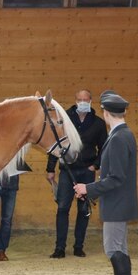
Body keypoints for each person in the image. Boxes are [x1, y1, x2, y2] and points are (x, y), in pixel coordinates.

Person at [73, 90, 138, 275]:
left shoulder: (120, 137)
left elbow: (117, 177)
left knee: (113, 249)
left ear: (105, 112)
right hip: (117, 202)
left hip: (117, 203)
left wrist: (87, 188)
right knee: (119, 249)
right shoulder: (120, 134)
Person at [47, 89, 107, 259]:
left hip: (87, 171)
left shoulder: (98, 123)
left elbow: (104, 148)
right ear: (75, 99)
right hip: (67, 170)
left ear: (90, 101)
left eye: (85, 99)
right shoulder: (64, 118)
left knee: (83, 210)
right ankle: (59, 248)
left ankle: (78, 246)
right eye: (79, 99)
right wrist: (51, 169)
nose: (82, 102)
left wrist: (95, 166)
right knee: (62, 208)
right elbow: (55, 143)